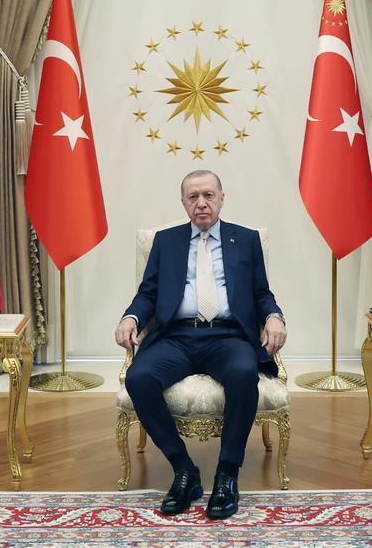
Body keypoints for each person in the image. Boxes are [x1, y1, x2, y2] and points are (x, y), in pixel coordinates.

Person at [115, 170, 287, 519]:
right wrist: (130, 318)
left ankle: (227, 474)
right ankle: (184, 471)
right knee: (138, 378)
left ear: (222, 198)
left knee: (243, 373)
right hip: (176, 336)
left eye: (208, 195)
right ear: (183, 203)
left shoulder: (247, 239)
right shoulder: (167, 241)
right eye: (193, 197)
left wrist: (274, 317)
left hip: (227, 335)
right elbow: (148, 293)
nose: (201, 203)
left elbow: (261, 293)